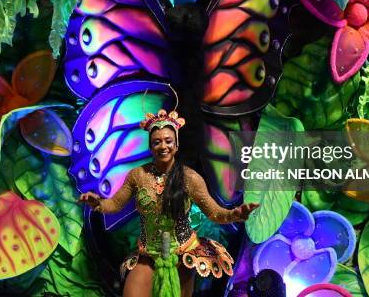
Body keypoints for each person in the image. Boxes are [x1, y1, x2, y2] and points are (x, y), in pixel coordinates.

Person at [79, 109, 260, 297]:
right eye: (157, 142)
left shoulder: (190, 178)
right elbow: (115, 204)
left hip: (181, 255)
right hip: (149, 254)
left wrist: (235, 214)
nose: (163, 146)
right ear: (150, 146)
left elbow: (214, 213)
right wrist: (98, 203)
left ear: (176, 145)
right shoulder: (137, 176)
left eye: (168, 140)